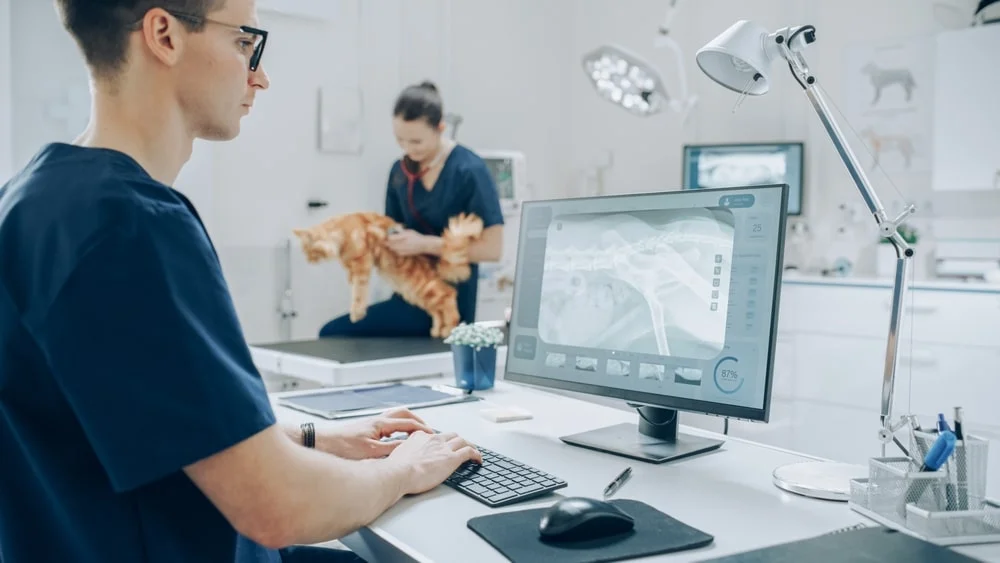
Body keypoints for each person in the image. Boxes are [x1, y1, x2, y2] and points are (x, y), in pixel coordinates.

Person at [0, 2, 481, 563]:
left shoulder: (32, 200)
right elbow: (279, 507)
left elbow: (149, 418)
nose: (260, 74)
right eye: (243, 43)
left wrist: (315, 438)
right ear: (164, 35)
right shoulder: (134, 226)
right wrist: (405, 470)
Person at [319, 82, 505, 338]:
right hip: (408, 296)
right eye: (400, 140)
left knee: (335, 335)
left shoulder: (468, 171)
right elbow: (392, 231)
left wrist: (426, 244)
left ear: (441, 128)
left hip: (449, 303)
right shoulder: (399, 172)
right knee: (332, 334)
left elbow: (492, 250)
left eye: (416, 141)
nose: (408, 149)